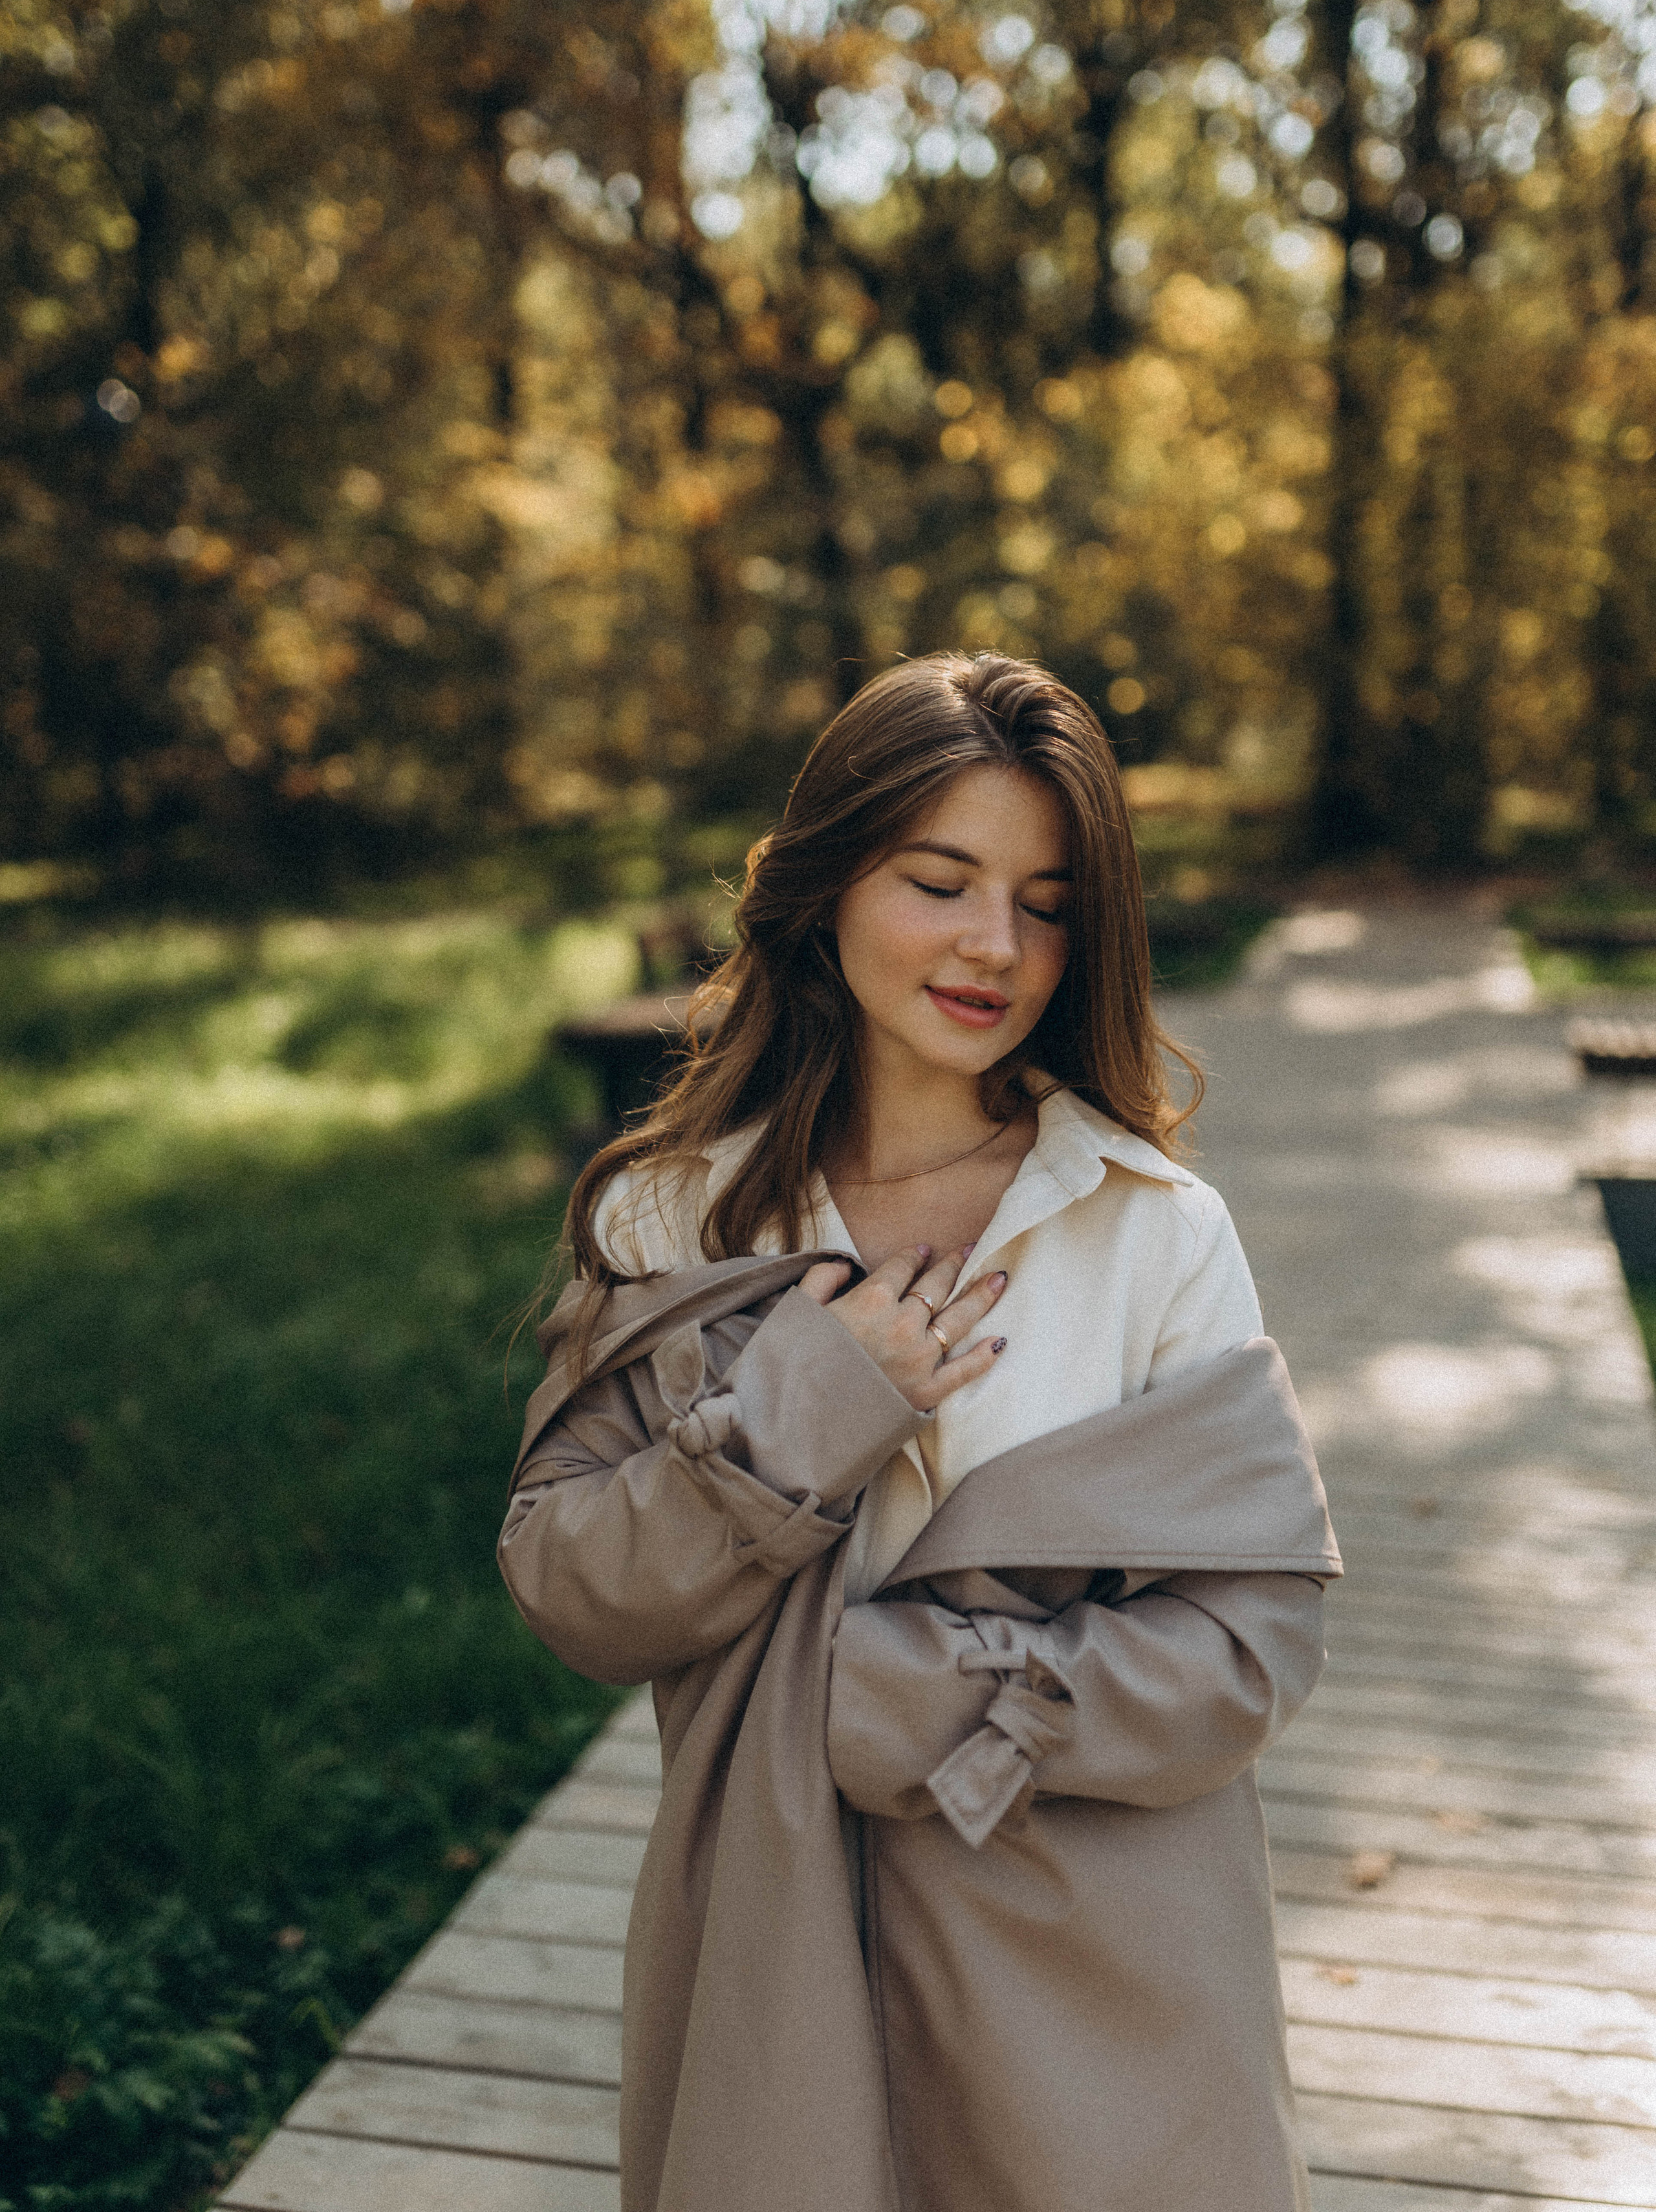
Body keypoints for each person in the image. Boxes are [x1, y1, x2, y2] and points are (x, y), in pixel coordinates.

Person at [500, 651, 1340, 2212]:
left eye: (1044, 900)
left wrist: (913, 1696)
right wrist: (803, 1412)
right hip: (776, 1949)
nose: (992, 946)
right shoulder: (675, 1216)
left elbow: (1251, 1647)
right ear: (826, 886)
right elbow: (568, 1584)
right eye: (938, 880)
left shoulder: (1148, 1231)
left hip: (1095, 1955)